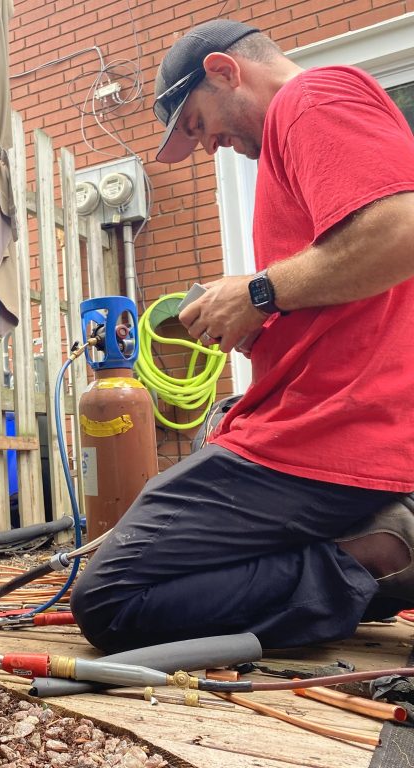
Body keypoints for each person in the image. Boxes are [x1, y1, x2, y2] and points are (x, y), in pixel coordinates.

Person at [69, 19, 414, 653]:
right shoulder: (296, 136)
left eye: (198, 125)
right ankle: (371, 549)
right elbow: (350, 294)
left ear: (224, 72)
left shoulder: (314, 98)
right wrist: (259, 319)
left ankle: (378, 554)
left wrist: (259, 292)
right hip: (312, 426)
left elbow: (402, 232)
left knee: (111, 599)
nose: (207, 147)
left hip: (326, 436)